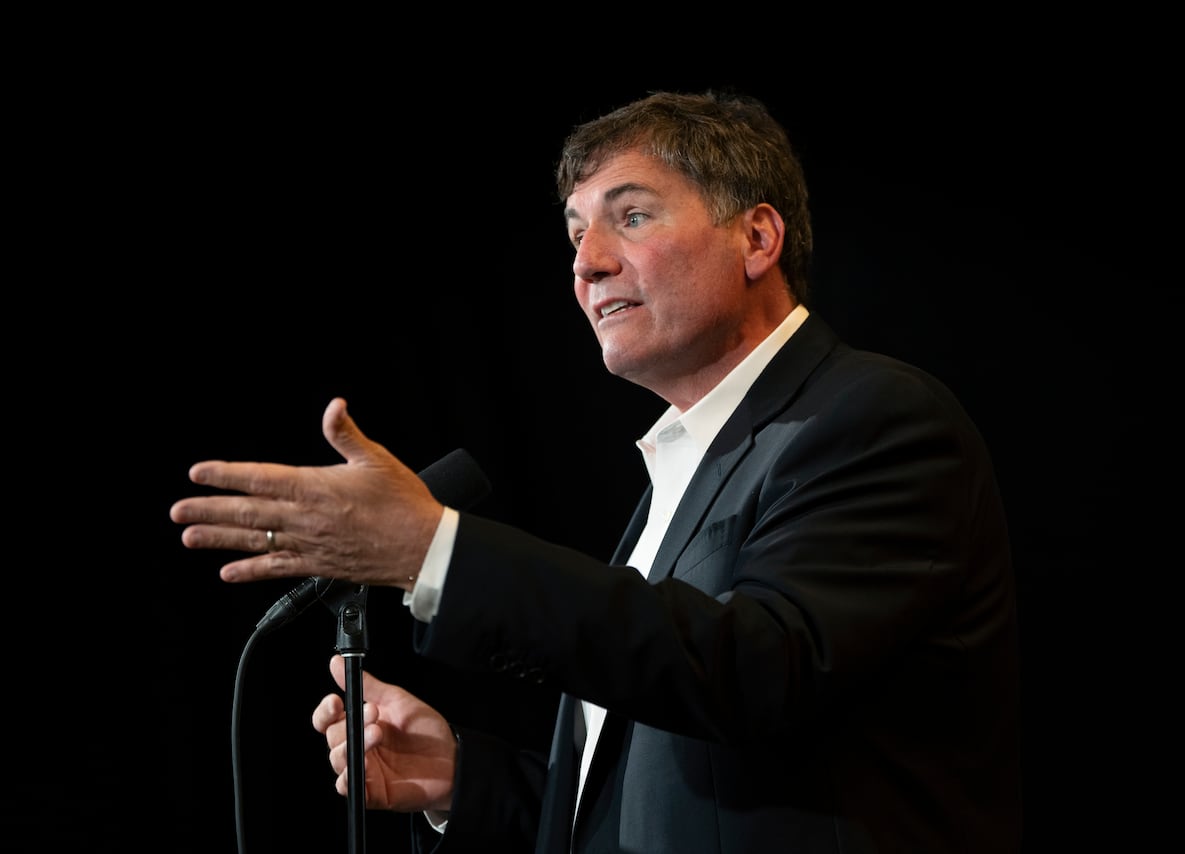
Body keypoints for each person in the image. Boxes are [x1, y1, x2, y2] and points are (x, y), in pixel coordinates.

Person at [171, 89, 1022, 853]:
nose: (586, 265)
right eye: (577, 233)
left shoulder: (873, 419)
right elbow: (674, 801)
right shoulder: (678, 475)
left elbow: (753, 673)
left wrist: (437, 551)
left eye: (632, 217)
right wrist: (464, 778)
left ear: (757, 237)